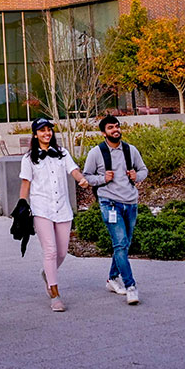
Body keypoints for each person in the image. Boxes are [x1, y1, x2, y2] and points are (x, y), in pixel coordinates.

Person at [18, 117, 91, 312]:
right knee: (49, 250)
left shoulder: (62, 153)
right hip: (42, 208)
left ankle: (47, 273)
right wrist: (22, 204)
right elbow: (25, 183)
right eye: (42, 130)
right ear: (35, 134)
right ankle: (55, 293)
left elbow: (73, 170)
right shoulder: (29, 158)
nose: (46, 133)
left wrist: (81, 179)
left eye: (49, 130)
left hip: (63, 209)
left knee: (62, 252)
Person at [82, 115, 146, 304]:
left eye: (117, 126)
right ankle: (131, 286)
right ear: (104, 133)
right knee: (119, 243)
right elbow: (86, 177)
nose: (115, 130)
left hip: (131, 202)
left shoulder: (130, 150)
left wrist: (137, 175)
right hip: (109, 203)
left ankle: (112, 278)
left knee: (124, 245)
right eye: (111, 128)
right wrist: (103, 179)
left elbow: (144, 170)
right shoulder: (96, 153)